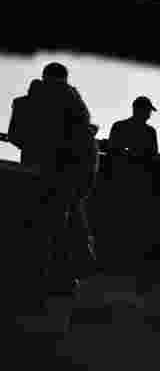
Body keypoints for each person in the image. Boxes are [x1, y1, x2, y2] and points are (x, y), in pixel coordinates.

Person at [13, 63, 97, 293]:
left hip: (31, 172)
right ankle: (61, 278)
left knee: (31, 224)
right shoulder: (75, 104)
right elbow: (87, 147)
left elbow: (15, 136)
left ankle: (31, 277)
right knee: (62, 227)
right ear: (65, 79)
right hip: (65, 176)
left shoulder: (23, 102)